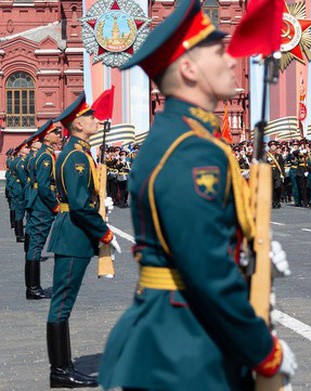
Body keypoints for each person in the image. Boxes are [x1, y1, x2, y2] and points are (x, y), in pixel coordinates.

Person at [98, 0, 297, 389]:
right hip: (186, 348)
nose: (231, 60)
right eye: (219, 52)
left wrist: (249, 253)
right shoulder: (190, 149)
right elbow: (207, 271)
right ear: (189, 69)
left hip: (182, 336)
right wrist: (266, 353)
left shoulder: (187, 138)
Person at [45, 92, 121, 388]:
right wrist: (103, 230)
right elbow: (77, 204)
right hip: (73, 235)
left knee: (64, 302)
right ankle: (60, 371)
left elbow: (82, 197)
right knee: (61, 304)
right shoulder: (76, 155)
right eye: (89, 117)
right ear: (77, 124)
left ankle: (62, 367)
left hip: (73, 234)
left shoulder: (80, 152)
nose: (94, 119)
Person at [24, 120, 62, 300]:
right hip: (42, 205)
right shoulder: (46, 157)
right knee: (36, 245)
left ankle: (32, 287)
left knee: (34, 244)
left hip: (35, 202)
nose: (59, 136)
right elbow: (45, 186)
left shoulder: (38, 155)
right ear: (47, 137)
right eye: (56, 133)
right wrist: (54, 205)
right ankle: (33, 289)